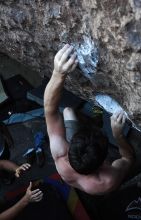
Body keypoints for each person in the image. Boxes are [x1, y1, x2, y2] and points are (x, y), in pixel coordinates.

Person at [44, 44, 135, 195]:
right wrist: (118, 135)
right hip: (93, 174)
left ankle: (96, 116)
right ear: (104, 162)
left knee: (67, 111)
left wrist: (58, 73)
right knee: (86, 116)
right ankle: (97, 118)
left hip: (78, 163)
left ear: (71, 145)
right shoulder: (106, 182)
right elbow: (128, 158)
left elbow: (49, 109)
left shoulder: (60, 154)